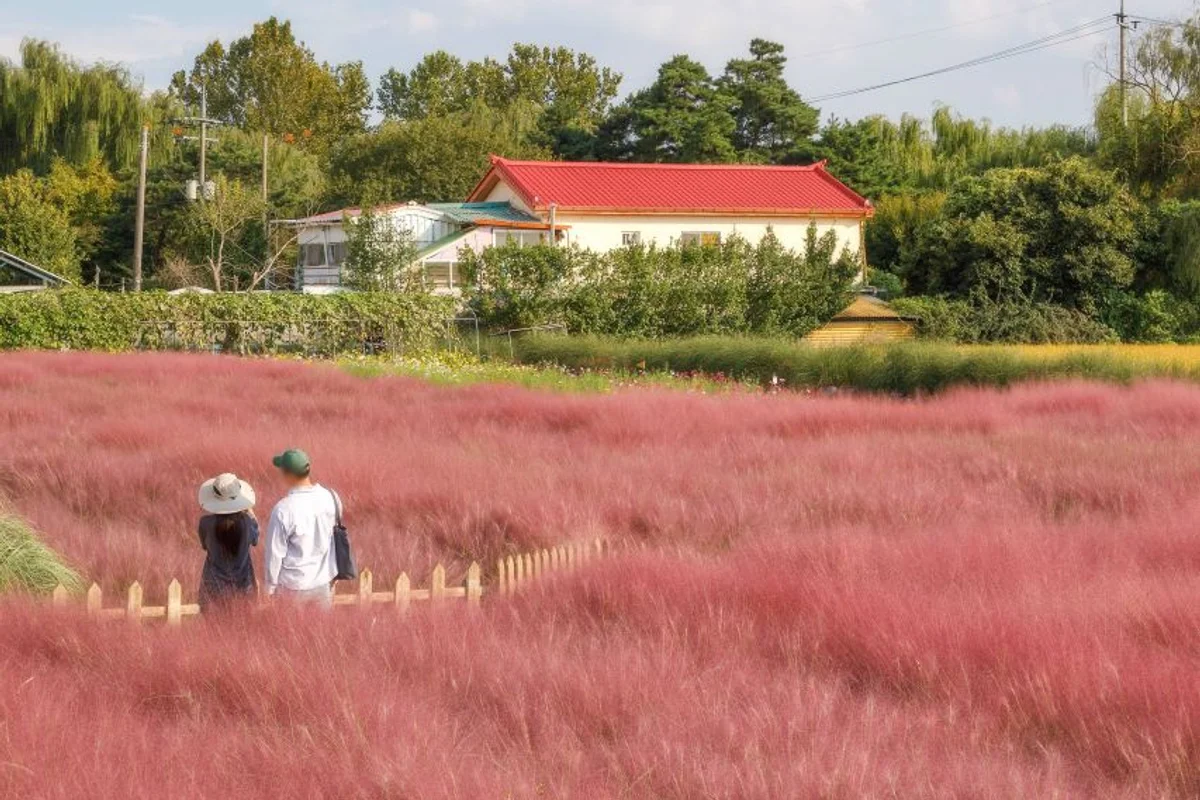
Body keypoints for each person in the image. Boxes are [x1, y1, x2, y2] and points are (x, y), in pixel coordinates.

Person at [264, 449, 339, 608]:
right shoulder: (330, 497)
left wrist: (270, 587)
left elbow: (275, 554)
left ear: (288, 474)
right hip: (322, 582)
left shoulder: (283, 509)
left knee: (289, 625)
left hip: (292, 587)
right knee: (321, 625)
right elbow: (334, 535)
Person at [196, 472, 260, 610]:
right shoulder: (247, 523)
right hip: (244, 587)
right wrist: (249, 511)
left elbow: (204, 546)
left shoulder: (205, 523)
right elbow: (255, 540)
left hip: (212, 588)